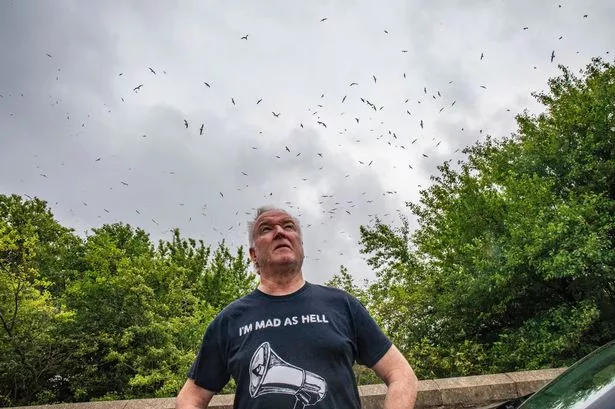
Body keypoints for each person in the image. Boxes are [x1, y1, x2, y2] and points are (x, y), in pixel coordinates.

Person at [176, 206, 418, 409]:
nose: (280, 232)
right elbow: (191, 398)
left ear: (300, 244)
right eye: (266, 229)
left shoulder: (341, 305)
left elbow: (401, 374)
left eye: (288, 226)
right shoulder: (230, 320)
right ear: (253, 254)